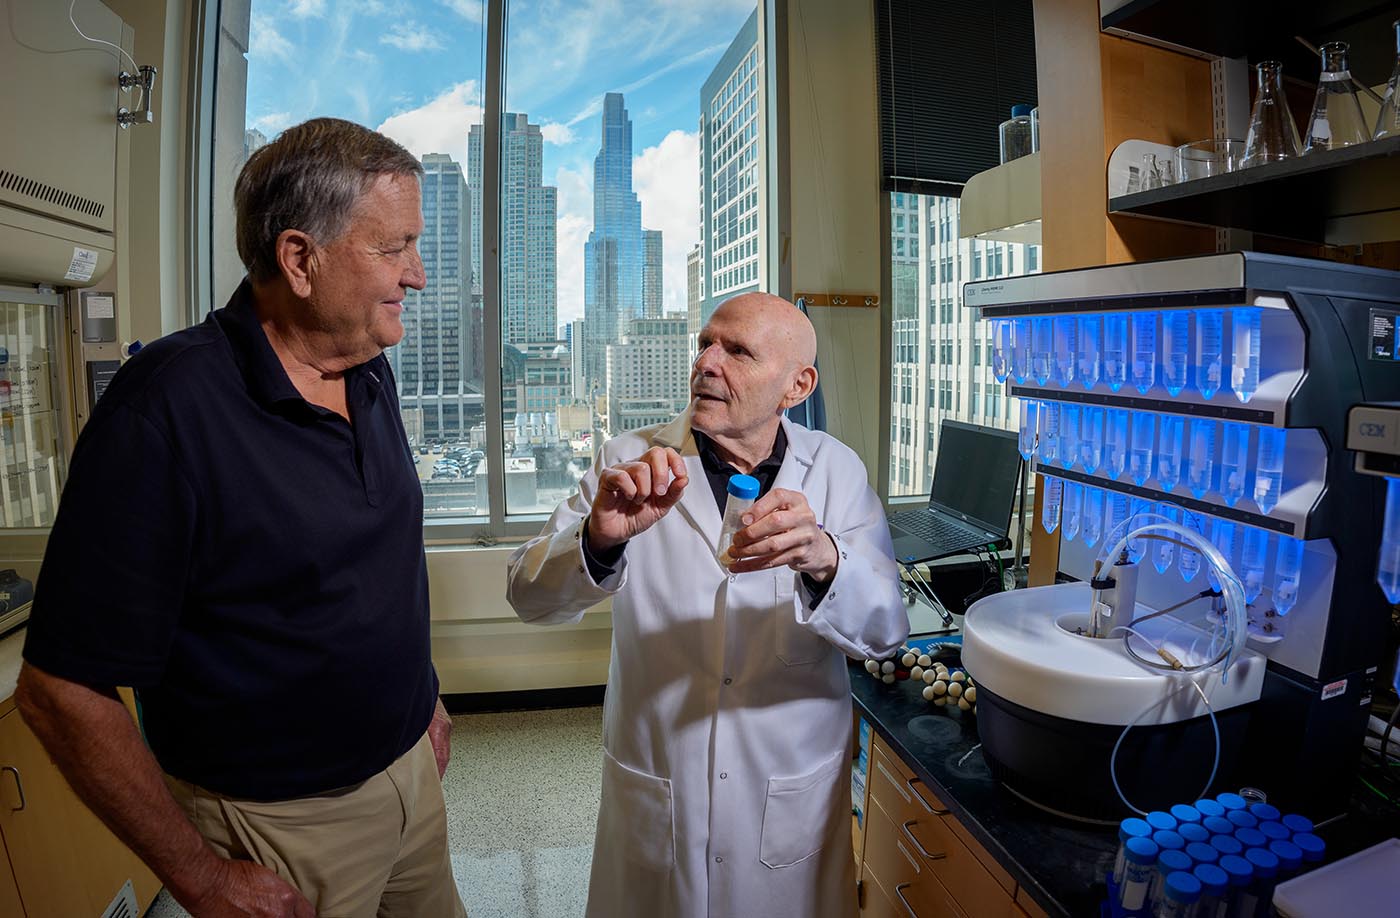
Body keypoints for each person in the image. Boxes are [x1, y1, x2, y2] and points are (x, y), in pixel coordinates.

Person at [16, 118, 465, 918]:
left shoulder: (367, 365)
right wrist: (204, 877)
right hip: (280, 824)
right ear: (299, 259)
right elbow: (60, 691)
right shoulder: (165, 411)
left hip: (411, 779)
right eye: (393, 248)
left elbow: (371, 564)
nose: (418, 274)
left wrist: (419, 696)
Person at [507, 292, 907, 918]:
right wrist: (598, 540)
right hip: (662, 779)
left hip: (786, 794)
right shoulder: (629, 461)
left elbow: (885, 631)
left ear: (797, 385)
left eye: (737, 351)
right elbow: (528, 596)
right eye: (705, 345)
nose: (706, 363)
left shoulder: (836, 472)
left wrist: (825, 558)